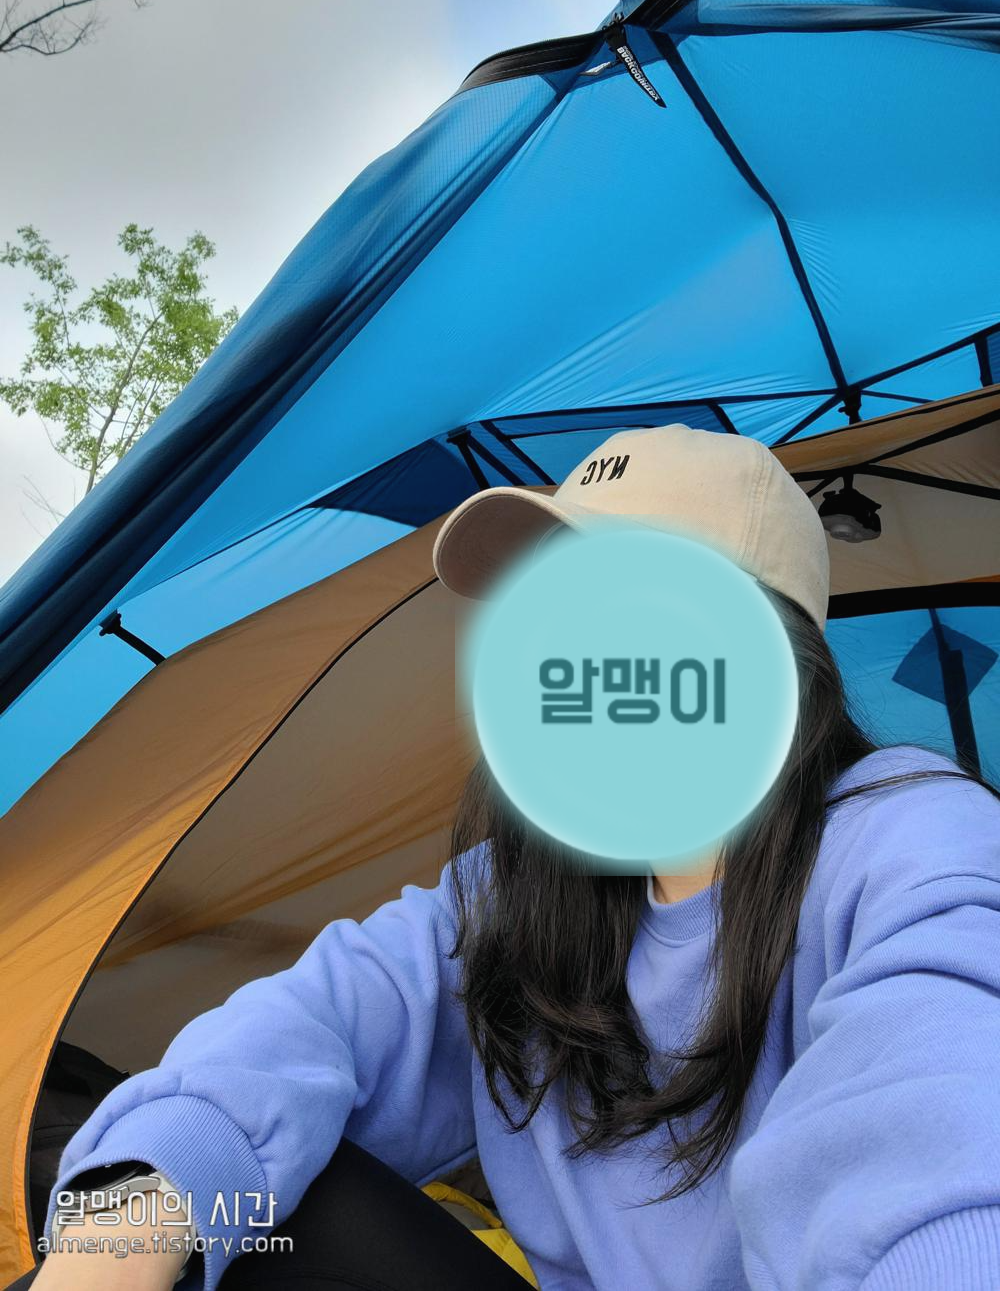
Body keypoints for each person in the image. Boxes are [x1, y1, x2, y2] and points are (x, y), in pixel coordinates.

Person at [16, 425, 1000, 1291]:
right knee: (228, 1201)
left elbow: (943, 1124)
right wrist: (120, 1239)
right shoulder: (516, 890)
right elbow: (312, 1024)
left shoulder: (908, 839)